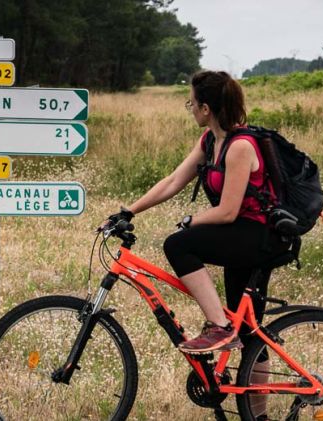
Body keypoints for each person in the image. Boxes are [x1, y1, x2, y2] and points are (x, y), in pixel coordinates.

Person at [101, 70, 290, 355]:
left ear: (206, 108)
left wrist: (191, 221)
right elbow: (174, 181)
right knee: (250, 336)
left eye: (192, 103)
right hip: (239, 235)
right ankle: (239, 366)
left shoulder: (240, 147)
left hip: (258, 236)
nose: (190, 109)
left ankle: (219, 327)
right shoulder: (211, 141)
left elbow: (227, 211)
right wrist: (128, 211)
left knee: (178, 244)